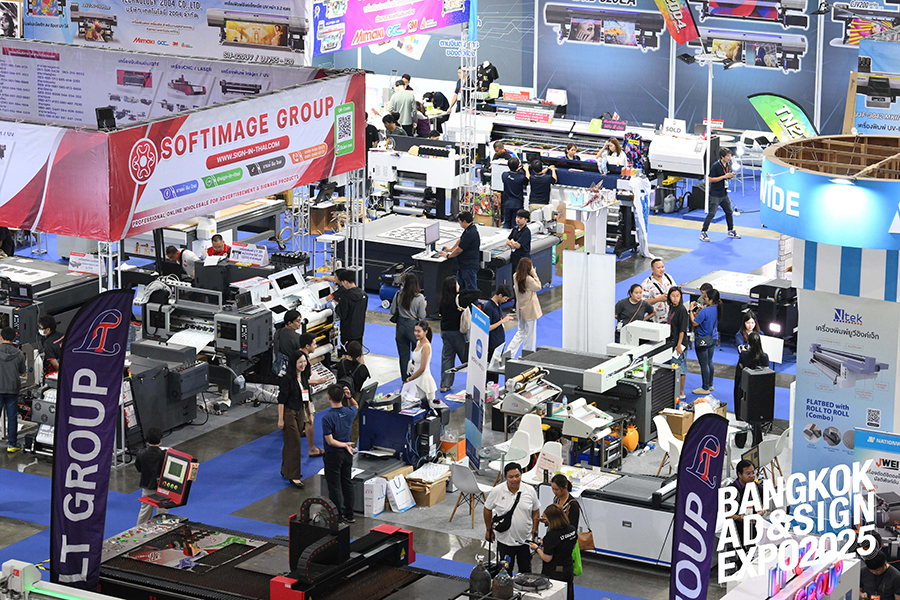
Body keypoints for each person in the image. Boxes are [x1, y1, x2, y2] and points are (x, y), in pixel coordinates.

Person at [484, 462, 540, 574]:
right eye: (511, 477)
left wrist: (534, 531)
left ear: (521, 475)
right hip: (505, 541)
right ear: (506, 477)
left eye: (517, 476)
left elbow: (536, 511)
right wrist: (489, 529)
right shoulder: (497, 491)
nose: (515, 479)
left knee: (526, 572)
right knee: (505, 572)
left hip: (525, 541)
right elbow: (487, 509)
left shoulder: (530, 490)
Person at [322, 383, 358, 523]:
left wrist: (343, 444)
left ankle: (338, 517)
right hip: (347, 454)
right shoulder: (349, 412)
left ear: (329, 397)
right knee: (347, 483)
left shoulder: (327, 418)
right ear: (342, 396)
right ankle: (350, 515)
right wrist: (349, 397)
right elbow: (356, 406)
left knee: (334, 486)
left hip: (333, 455)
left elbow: (330, 441)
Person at [278, 351, 313, 487]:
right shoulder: (287, 379)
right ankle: (294, 475)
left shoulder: (303, 377)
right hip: (289, 413)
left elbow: (307, 397)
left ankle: (285, 469)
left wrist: (310, 414)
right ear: (294, 363)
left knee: (290, 442)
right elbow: (281, 401)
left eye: (304, 361)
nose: (303, 364)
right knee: (295, 443)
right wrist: (281, 419)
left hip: (300, 411)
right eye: (300, 362)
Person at [528, 504, 577, 600]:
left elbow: (547, 558)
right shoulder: (572, 529)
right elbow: (573, 546)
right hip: (568, 568)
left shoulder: (551, 536)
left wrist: (537, 548)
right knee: (568, 592)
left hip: (554, 572)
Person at [727, 460, 764, 577]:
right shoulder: (731, 490)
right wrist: (738, 517)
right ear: (739, 474)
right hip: (735, 531)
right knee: (738, 562)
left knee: (752, 558)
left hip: (751, 529)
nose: (752, 476)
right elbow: (723, 510)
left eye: (753, 472)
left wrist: (760, 512)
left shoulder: (756, 487)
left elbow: (764, 505)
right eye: (748, 473)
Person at [700, 148, 742, 242]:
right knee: (712, 214)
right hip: (715, 194)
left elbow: (726, 177)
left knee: (729, 212)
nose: (729, 158)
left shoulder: (728, 165)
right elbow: (710, 179)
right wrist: (724, 176)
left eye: (730, 155)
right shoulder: (715, 166)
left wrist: (730, 176)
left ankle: (730, 230)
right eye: (727, 156)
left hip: (724, 193)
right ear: (722, 157)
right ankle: (703, 232)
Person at [390, 273, 426, 383]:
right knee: (417, 354)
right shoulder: (419, 298)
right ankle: (414, 376)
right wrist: (424, 306)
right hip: (413, 326)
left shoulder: (398, 294)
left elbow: (392, 311)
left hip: (400, 326)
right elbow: (422, 315)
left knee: (403, 355)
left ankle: (405, 379)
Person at [736, 332, 769, 444]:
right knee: (756, 416)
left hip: (744, 386)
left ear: (748, 342)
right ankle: (757, 441)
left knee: (743, 414)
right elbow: (766, 371)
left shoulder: (744, 355)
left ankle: (741, 441)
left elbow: (741, 367)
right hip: (758, 388)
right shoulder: (765, 356)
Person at [297, 334, 328, 457]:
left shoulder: (301, 356)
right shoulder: (302, 359)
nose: (315, 346)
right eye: (314, 344)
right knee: (310, 419)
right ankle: (312, 449)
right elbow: (299, 379)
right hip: (302, 393)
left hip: (301, 392)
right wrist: (317, 381)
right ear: (307, 346)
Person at [507, 258, 542, 358]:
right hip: (530, 310)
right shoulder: (529, 279)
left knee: (520, 332)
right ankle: (528, 355)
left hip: (521, 310)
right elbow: (538, 287)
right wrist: (534, 273)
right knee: (530, 334)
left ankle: (509, 353)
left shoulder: (515, 276)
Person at [691, 288, 722, 396]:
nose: (705, 299)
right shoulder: (718, 308)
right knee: (709, 361)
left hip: (703, 339)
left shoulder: (705, 311)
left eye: (706, 297)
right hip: (713, 338)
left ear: (710, 299)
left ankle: (705, 388)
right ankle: (710, 384)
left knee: (704, 364)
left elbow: (694, 323)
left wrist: (690, 311)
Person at [440, 211, 480, 291]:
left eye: (460, 221)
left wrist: (448, 255)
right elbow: (460, 240)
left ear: (464, 221)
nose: (459, 223)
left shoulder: (470, 233)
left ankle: (473, 299)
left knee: (471, 288)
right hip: (463, 265)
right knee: (461, 286)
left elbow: (459, 250)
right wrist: (451, 249)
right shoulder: (470, 229)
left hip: (468, 266)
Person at [135, 427, 168, 525]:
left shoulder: (141, 453)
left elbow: (139, 468)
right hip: (162, 486)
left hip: (147, 485)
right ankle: (162, 530)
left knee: (145, 511)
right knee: (162, 512)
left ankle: (139, 529)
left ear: (147, 439)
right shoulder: (164, 454)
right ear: (160, 440)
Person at [439, 277, 467, 393]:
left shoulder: (443, 300)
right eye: (457, 284)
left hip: (445, 331)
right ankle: (476, 382)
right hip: (457, 332)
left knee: (447, 357)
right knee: (466, 358)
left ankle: (444, 384)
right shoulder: (459, 300)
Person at [0, 327, 24, 453]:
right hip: (12, 389)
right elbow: (22, 371)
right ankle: (12, 444)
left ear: (1, 337)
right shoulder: (19, 353)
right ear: (14, 338)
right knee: (12, 417)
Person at [405, 321, 437, 408]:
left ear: (425, 332)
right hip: (416, 378)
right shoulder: (418, 343)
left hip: (423, 381)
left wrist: (410, 378)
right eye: (415, 331)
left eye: (418, 331)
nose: (416, 333)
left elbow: (422, 368)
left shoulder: (426, 346)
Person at [334, 269, 367, 348]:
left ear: (345, 282)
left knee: (347, 352)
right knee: (357, 351)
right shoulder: (364, 294)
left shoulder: (345, 297)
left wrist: (337, 305)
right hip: (359, 330)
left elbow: (342, 314)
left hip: (348, 331)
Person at [482, 285, 514, 368]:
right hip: (493, 343)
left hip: (499, 341)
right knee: (492, 367)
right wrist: (502, 321)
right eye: (505, 298)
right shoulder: (489, 308)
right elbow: (488, 328)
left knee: (497, 366)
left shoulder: (498, 304)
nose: (506, 301)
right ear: (500, 295)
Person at [666, 287, 690, 400]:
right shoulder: (672, 307)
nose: (675, 298)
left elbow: (682, 330)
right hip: (671, 341)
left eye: (677, 296)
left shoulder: (682, 310)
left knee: (681, 368)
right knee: (673, 367)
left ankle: (681, 392)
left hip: (679, 344)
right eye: (673, 296)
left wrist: (679, 344)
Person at [641, 259, 676, 324]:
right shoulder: (646, 283)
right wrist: (658, 299)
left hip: (671, 317)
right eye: (658, 268)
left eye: (662, 267)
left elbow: (676, 291)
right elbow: (642, 303)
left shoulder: (668, 277)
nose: (661, 269)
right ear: (652, 269)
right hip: (655, 320)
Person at [273, 310, 302, 376]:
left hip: (280, 367)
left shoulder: (278, 332)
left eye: (300, 320)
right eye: (297, 321)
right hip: (291, 369)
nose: (300, 323)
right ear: (290, 323)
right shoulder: (297, 337)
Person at [501, 157, 528, 229]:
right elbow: (527, 180)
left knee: (506, 222)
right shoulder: (521, 178)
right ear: (519, 166)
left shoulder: (504, 175)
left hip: (507, 203)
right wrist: (526, 169)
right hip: (517, 204)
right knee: (515, 224)